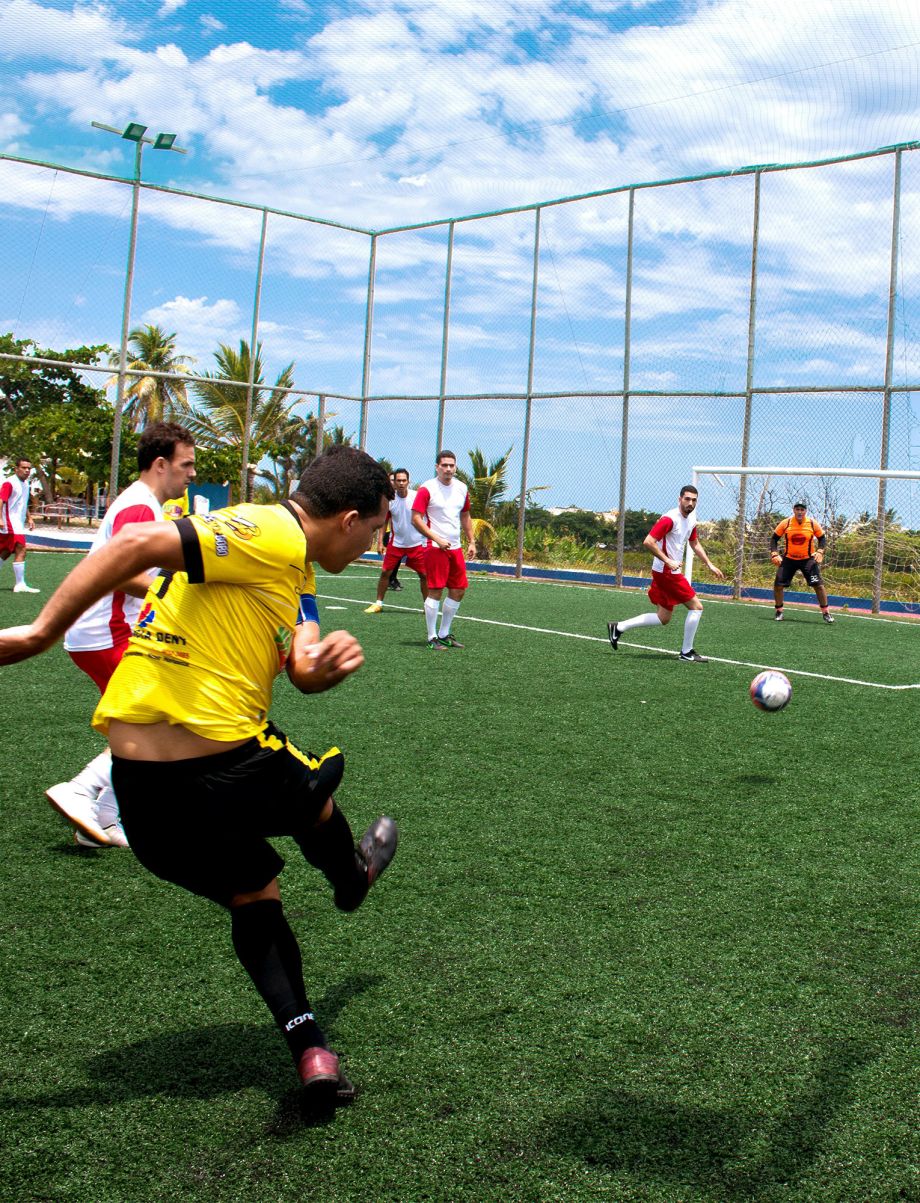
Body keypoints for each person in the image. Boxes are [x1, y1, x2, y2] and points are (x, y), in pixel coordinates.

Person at [0, 445, 398, 1103]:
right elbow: (135, 543)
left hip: (141, 792)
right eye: (377, 530)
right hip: (223, 765)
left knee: (255, 892)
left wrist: (319, 668)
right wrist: (41, 632)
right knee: (312, 790)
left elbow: (300, 663)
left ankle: (311, 1050)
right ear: (350, 519)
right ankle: (351, 879)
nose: (374, 545)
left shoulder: (294, 571)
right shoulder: (272, 529)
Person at [47, 422, 198, 848]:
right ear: (160, 464)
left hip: (104, 630)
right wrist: (176, 596)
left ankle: (103, 821)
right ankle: (82, 792)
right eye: (186, 465)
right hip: (107, 631)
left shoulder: (144, 505)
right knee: (158, 722)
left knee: (153, 721)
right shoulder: (140, 507)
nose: (192, 474)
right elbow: (125, 574)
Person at [607, 484, 725, 662]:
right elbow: (648, 541)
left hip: (666, 572)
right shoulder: (669, 519)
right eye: (687, 499)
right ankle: (686, 652)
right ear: (680, 499)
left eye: (694, 500)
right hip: (667, 572)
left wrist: (709, 564)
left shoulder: (691, 518)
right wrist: (668, 561)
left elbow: (694, 543)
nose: (690, 503)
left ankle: (619, 627)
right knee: (696, 607)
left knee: (663, 617)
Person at [411, 450, 476, 649]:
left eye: (451, 465)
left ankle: (444, 634)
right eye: (444, 465)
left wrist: (471, 541)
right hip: (434, 547)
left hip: (455, 547)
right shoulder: (427, 488)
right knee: (436, 590)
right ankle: (431, 637)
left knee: (458, 590)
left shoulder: (462, 488)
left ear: (455, 467)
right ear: (437, 467)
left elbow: (465, 515)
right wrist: (436, 539)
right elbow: (415, 518)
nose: (448, 469)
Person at [364, 468, 428, 613]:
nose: (401, 483)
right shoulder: (389, 499)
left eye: (404, 480)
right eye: (398, 480)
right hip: (396, 543)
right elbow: (384, 521)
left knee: (424, 575)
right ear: (394, 482)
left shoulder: (417, 497)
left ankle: (427, 606)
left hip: (417, 543)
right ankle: (378, 603)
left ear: (408, 482)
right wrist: (380, 542)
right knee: (385, 572)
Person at [771, 502, 834, 623]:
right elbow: (774, 538)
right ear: (793, 510)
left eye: (802, 509)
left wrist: (820, 551)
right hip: (789, 559)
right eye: (797, 509)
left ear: (805, 511)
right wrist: (774, 553)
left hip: (807, 559)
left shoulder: (812, 523)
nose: (800, 512)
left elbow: (822, 538)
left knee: (818, 585)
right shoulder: (786, 523)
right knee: (778, 585)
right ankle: (779, 611)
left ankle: (826, 613)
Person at [0, 456, 39, 593]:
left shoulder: (25, 484)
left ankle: (20, 584)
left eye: (29, 468)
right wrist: (0, 519)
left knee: (6, 551)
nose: (27, 470)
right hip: (10, 523)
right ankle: (20, 584)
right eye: (24, 468)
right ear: (16, 469)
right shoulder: (9, 483)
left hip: (17, 523)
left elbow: (23, 503)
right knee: (21, 548)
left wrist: (29, 518)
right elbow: (1, 500)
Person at [383, 473, 402, 592]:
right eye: (390, 480)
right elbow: (384, 519)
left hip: (400, 534)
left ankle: (393, 578)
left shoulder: (403, 496)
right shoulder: (387, 498)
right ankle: (390, 579)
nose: (393, 482)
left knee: (398, 558)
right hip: (390, 534)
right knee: (395, 558)